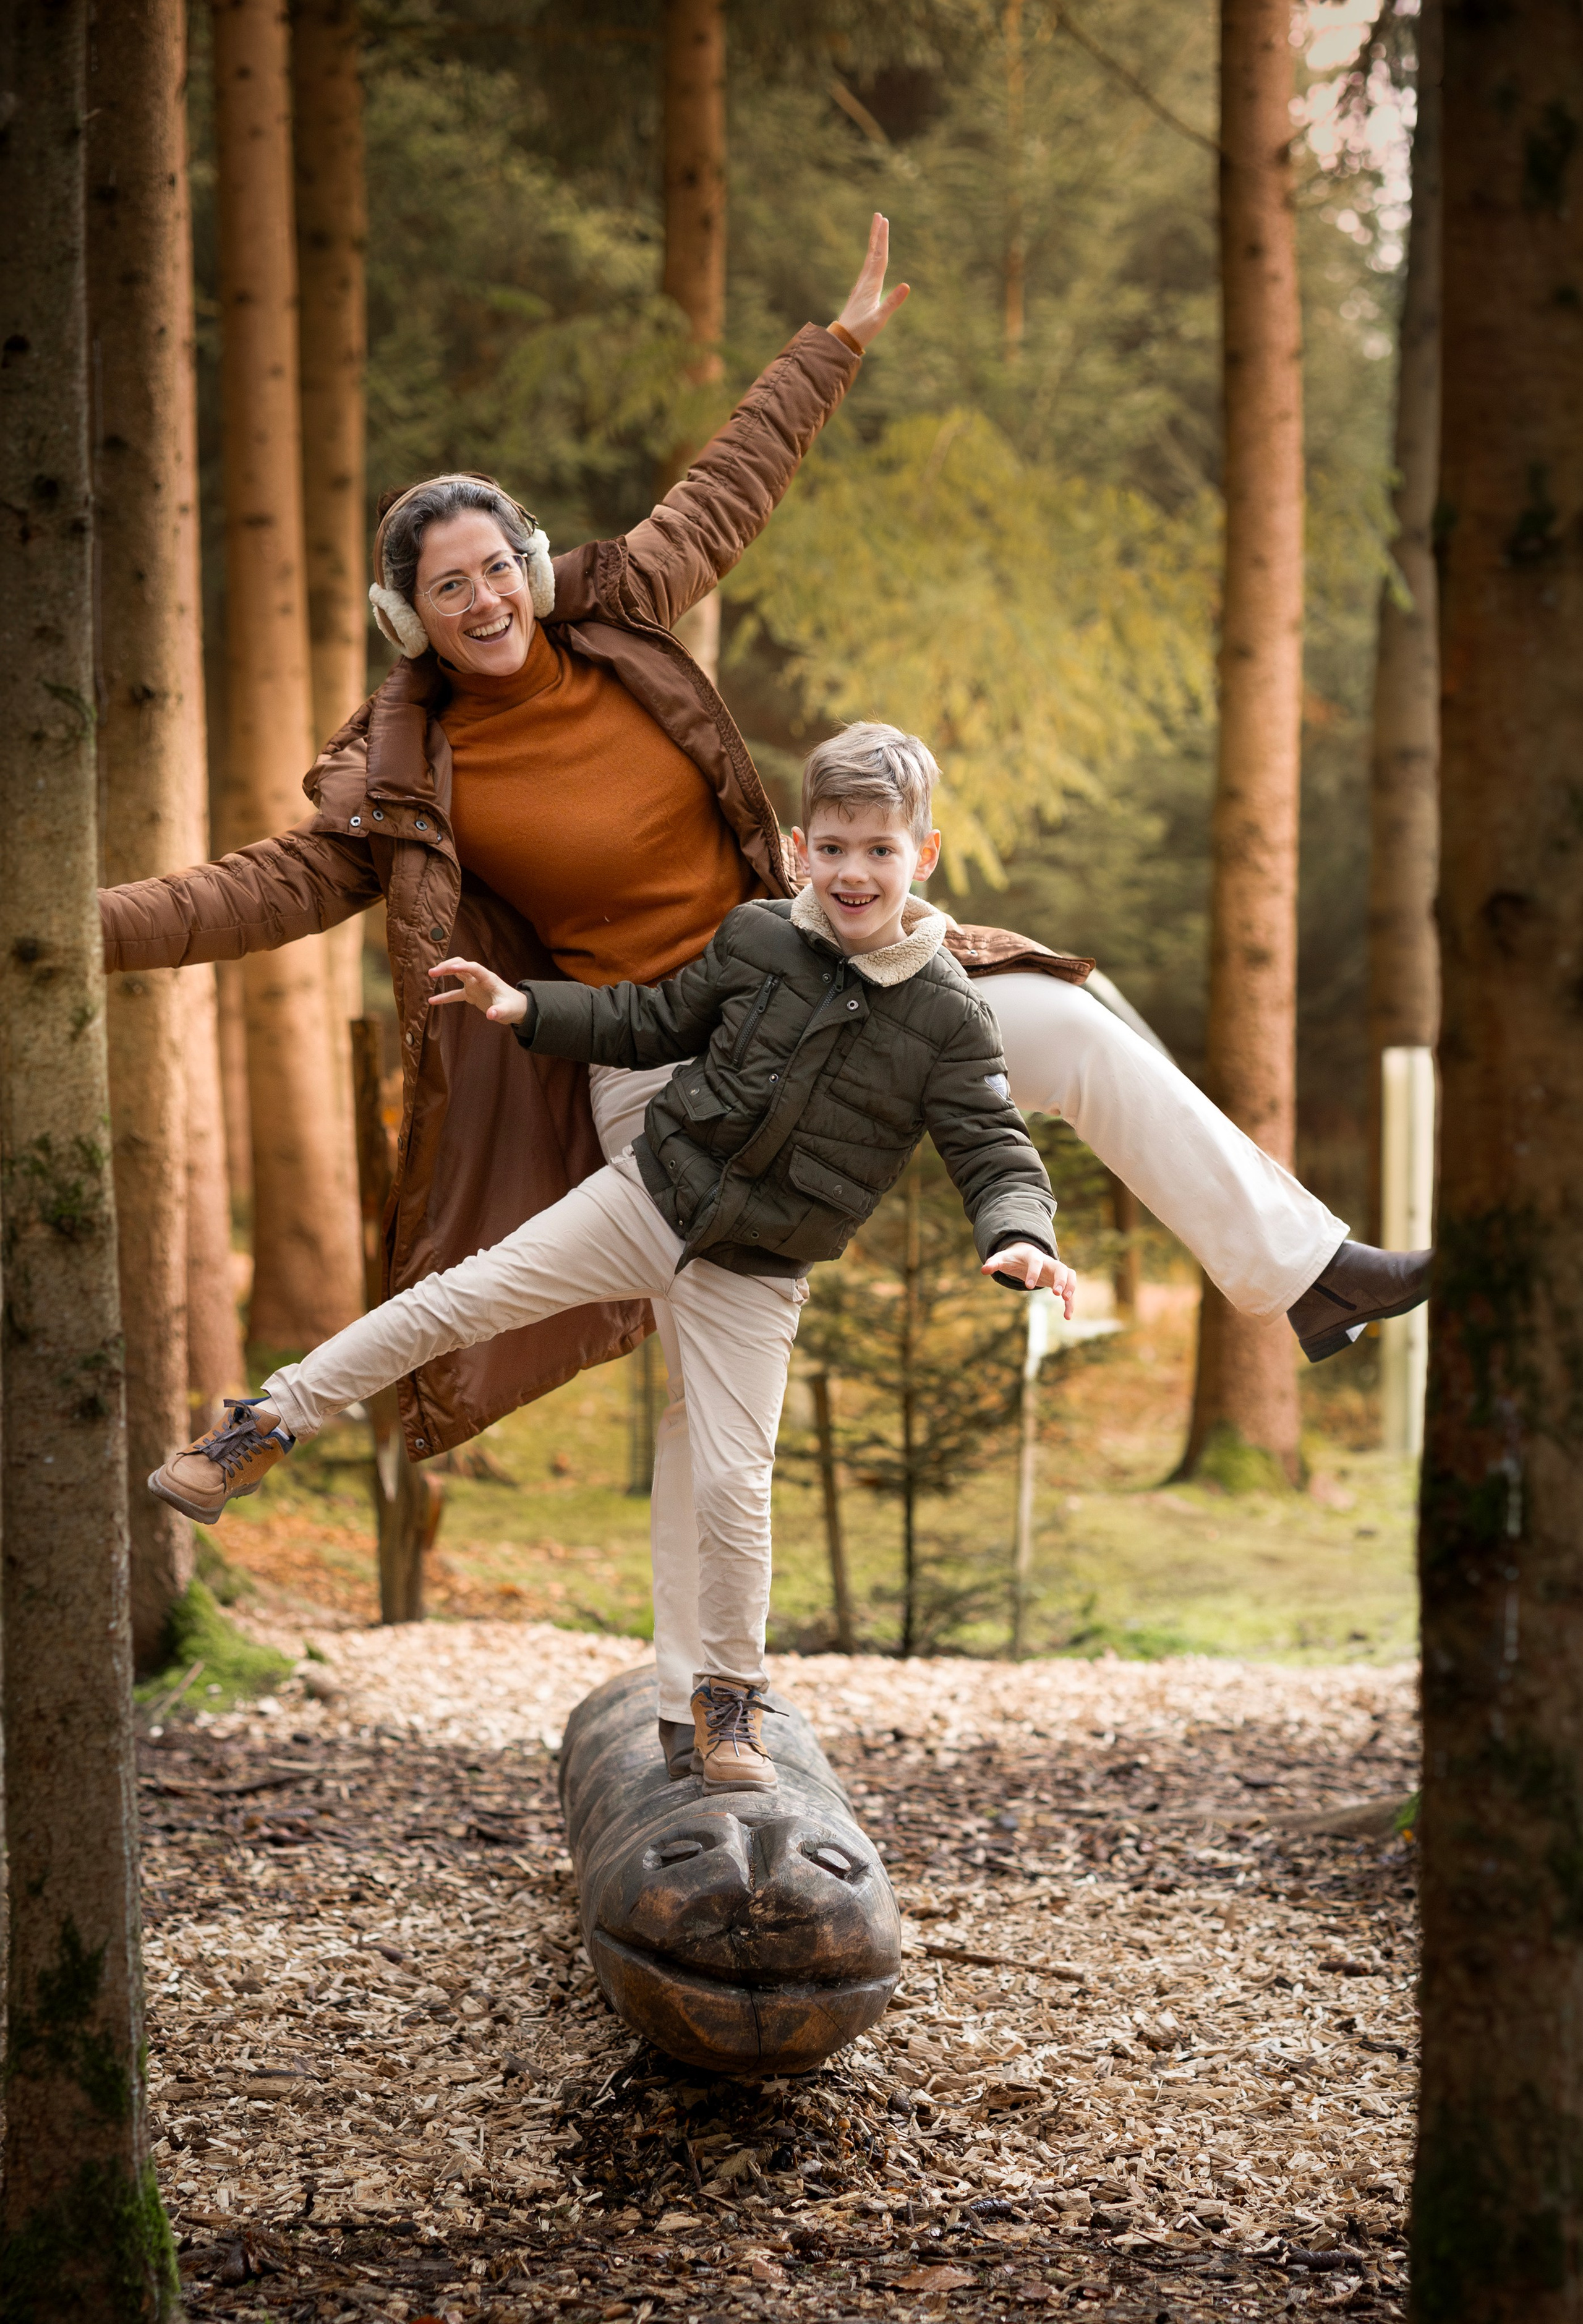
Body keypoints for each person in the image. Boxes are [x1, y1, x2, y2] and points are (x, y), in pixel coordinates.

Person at [101, 216, 1426, 1559]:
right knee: (718, 1371)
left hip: (824, 969)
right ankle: (698, 1703)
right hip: (651, 1059)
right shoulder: (405, 776)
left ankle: (1307, 1274)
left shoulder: (617, 613)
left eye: (500, 566)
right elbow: (249, 891)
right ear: (409, 620)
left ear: (536, 563)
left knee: (1078, 1030)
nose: (486, 599)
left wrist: (831, 348)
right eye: (451, 587)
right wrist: (65, 929)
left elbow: (724, 488)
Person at [150, 732, 1075, 1791]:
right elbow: (649, 1021)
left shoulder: (950, 1013)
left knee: (735, 1481)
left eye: (879, 849)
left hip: (758, 1271)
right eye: (833, 847)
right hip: (652, 1194)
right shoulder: (759, 936)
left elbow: (993, 1145)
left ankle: (729, 1699)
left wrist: (1021, 1234)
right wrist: (527, 1006)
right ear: (796, 848)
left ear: (926, 854)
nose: (855, 872)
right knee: (454, 1299)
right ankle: (260, 1427)